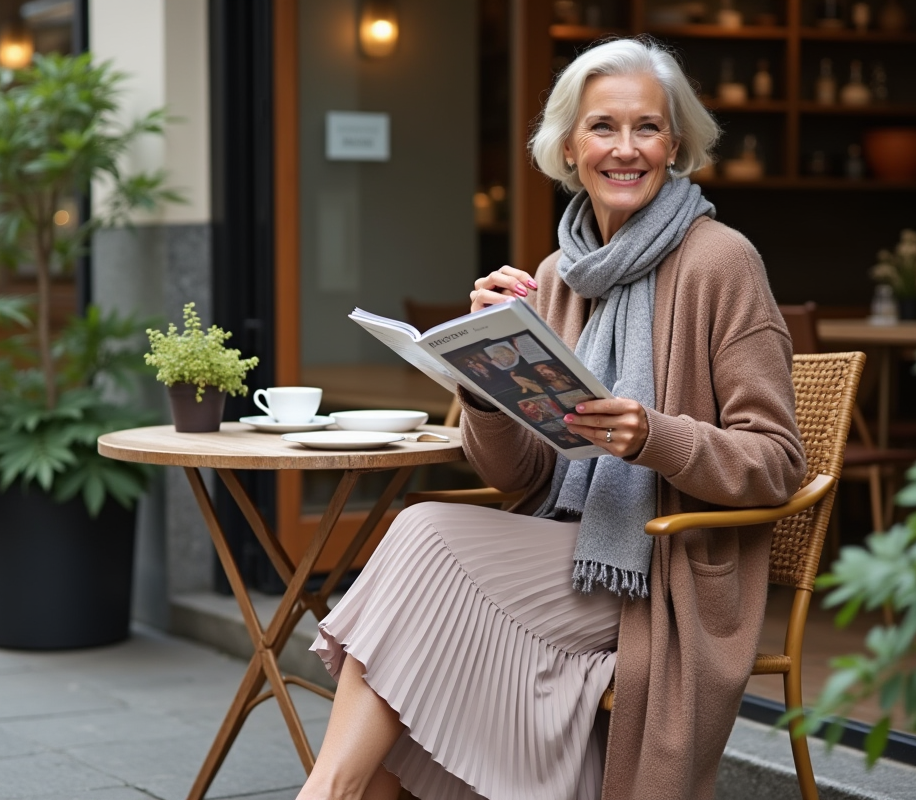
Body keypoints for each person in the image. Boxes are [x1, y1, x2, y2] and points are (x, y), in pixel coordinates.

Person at [299, 36, 805, 800]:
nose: (625, 148)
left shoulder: (721, 261)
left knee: (421, 545)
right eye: (603, 127)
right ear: (569, 146)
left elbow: (777, 462)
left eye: (647, 128)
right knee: (417, 585)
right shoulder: (556, 275)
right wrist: (480, 371)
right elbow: (520, 475)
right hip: (565, 550)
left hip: (660, 572)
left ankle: (324, 793)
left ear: (676, 145)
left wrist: (654, 437)